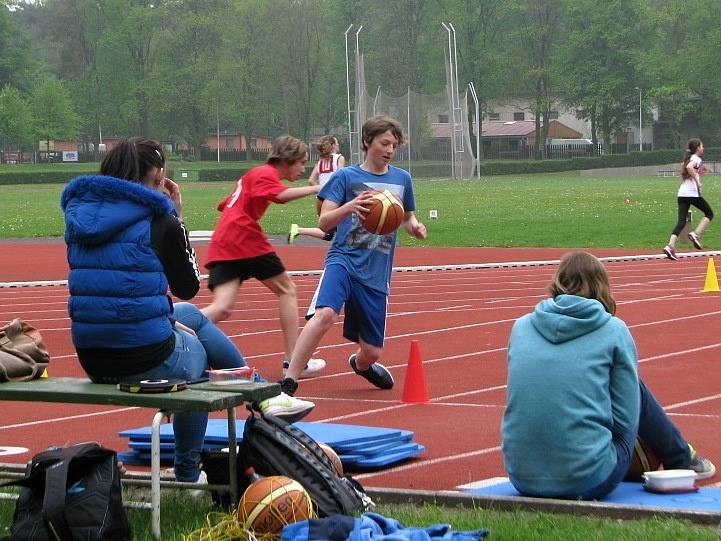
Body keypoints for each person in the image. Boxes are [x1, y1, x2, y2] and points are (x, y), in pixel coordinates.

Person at [60, 137, 314, 486]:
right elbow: (189, 286)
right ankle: (187, 475)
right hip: (142, 357)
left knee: (190, 317)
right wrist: (176, 218)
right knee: (197, 358)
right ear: (159, 175)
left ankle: (266, 396)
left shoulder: (78, 219)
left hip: (92, 356)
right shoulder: (159, 221)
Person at [501, 251, 715, 500]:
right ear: (602, 286)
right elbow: (626, 420)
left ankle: (680, 455)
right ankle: (681, 457)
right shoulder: (613, 330)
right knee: (636, 388)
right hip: (588, 479)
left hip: (521, 477)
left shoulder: (521, 327)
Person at [279, 115, 427, 397]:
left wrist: (414, 227)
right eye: (384, 143)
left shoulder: (402, 179)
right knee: (324, 315)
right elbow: (324, 223)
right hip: (343, 258)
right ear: (366, 142)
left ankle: (360, 365)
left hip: (376, 271)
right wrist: (350, 207)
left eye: (394, 145)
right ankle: (289, 382)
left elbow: (406, 217)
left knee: (371, 351)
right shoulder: (346, 177)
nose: (389, 150)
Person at [201, 135, 326, 380]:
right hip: (243, 237)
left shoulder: (254, 174)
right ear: (287, 160)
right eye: (301, 162)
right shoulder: (264, 173)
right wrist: (317, 188)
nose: (303, 169)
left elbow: (225, 204)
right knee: (287, 289)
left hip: (224, 240)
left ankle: (174, 329)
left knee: (222, 308)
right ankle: (294, 361)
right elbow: (279, 196)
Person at [288, 135, 345, 244]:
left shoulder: (320, 162)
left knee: (328, 233)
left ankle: (298, 230)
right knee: (347, 225)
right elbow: (341, 177)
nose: (338, 145)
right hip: (334, 200)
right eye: (337, 143)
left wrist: (322, 192)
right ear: (333, 146)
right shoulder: (339, 158)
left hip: (321, 200)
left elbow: (311, 180)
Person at [663, 138, 714, 260]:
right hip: (692, 194)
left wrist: (702, 171)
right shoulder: (696, 159)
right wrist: (697, 181)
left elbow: (692, 169)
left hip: (682, 194)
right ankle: (695, 234)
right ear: (697, 148)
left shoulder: (689, 158)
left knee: (681, 221)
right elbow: (690, 168)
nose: (703, 148)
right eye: (702, 146)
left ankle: (670, 246)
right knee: (709, 214)